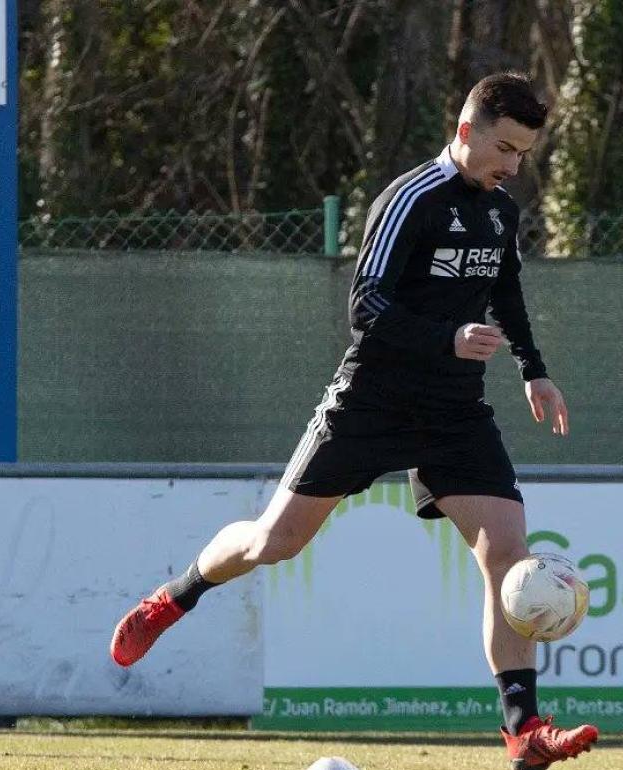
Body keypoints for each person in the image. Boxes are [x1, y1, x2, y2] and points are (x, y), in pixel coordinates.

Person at [109, 72, 597, 769]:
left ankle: (524, 732)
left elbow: (506, 291)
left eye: (523, 154)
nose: (513, 166)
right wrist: (447, 339)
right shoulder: (410, 200)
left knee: (507, 559)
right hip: (370, 402)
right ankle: (175, 596)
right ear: (466, 132)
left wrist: (533, 367)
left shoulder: (499, 211)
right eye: (505, 148)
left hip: (454, 412)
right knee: (273, 543)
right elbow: (365, 304)